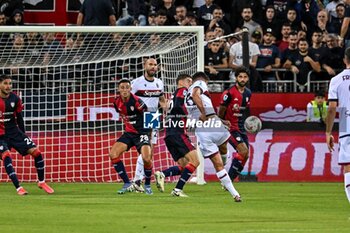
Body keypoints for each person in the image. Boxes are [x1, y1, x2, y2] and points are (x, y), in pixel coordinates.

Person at [185, 71, 241, 202]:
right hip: (210, 124)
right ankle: (233, 188)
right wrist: (204, 113)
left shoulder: (186, 92)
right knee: (225, 147)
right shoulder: (199, 83)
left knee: (218, 165)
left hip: (201, 131)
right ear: (205, 81)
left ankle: (235, 194)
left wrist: (220, 120)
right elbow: (196, 95)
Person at [0, 74, 54, 195]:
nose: (8, 86)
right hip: (0, 135)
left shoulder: (16, 99)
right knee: (6, 156)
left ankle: (42, 182)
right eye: (5, 83)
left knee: (37, 152)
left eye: (10, 83)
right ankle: (19, 188)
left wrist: (24, 135)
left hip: (14, 132)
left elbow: (19, 118)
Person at [154, 74, 199, 197]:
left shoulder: (173, 95)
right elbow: (179, 107)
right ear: (181, 81)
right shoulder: (183, 91)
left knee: (185, 166)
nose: (190, 84)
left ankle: (163, 174)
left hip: (169, 134)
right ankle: (177, 190)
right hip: (178, 133)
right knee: (195, 161)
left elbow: (169, 108)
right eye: (189, 81)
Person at [110, 79, 153, 195]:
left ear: (130, 89)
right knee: (113, 154)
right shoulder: (116, 102)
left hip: (142, 133)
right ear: (118, 89)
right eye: (122, 88)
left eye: (127, 88)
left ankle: (148, 184)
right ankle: (127, 183)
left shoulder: (137, 101)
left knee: (146, 158)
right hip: (129, 133)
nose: (124, 90)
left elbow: (149, 114)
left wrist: (149, 134)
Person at [130, 58, 166, 192]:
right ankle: (137, 181)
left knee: (150, 153)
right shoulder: (136, 83)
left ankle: (138, 181)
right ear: (144, 66)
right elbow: (128, 99)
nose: (153, 67)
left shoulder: (159, 83)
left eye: (155, 65)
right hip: (140, 117)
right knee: (146, 151)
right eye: (150, 64)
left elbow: (162, 100)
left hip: (153, 116)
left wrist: (166, 107)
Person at [218, 66, 251, 183]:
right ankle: (228, 181)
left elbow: (245, 111)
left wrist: (249, 122)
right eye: (240, 77)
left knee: (245, 155)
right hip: (230, 128)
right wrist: (221, 122)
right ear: (236, 78)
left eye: (245, 77)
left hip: (241, 127)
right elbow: (221, 109)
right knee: (243, 151)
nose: (242, 79)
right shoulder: (229, 93)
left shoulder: (248, 93)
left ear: (247, 79)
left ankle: (229, 179)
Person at [326, 47, 350, 203]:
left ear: (345, 60)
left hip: (346, 125)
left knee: (348, 167)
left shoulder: (336, 80)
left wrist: (328, 132)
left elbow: (332, 108)